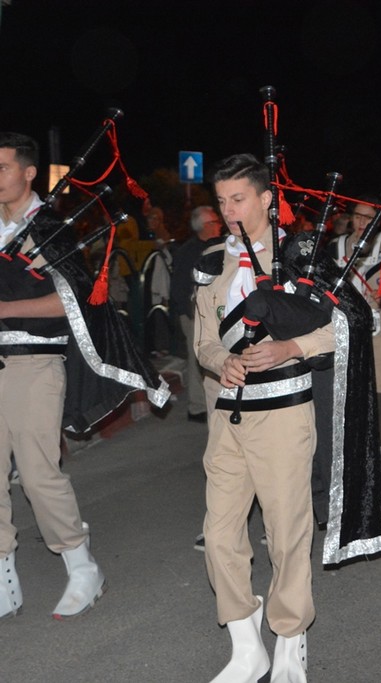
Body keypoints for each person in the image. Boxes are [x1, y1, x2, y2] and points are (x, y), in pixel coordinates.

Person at [1, 132, 169, 621]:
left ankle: (82, 566)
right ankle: (4, 575)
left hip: (34, 363)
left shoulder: (50, 228)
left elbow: (73, 300)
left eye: (3, 167)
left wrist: (6, 308)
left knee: (37, 473)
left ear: (29, 172)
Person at [194, 154, 334, 681]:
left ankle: (291, 639)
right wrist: (220, 361)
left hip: (283, 412)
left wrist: (289, 347)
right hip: (227, 414)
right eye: (222, 201)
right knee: (219, 533)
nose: (229, 210)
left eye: (239, 198)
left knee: (285, 531)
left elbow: (345, 327)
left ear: (267, 199)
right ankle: (245, 644)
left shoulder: (299, 256)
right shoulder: (212, 262)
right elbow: (204, 342)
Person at [332, 196, 381, 490]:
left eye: (369, 217)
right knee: (347, 397)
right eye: (358, 216)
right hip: (345, 329)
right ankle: (351, 464)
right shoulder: (336, 246)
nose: (363, 222)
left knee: (379, 398)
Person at [169, 205, 224, 422]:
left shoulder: (218, 246)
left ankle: (210, 402)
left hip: (212, 312)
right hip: (195, 313)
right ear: (205, 226)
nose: (219, 225)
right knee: (198, 359)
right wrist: (189, 313)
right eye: (215, 222)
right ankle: (197, 406)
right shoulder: (189, 251)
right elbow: (179, 286)